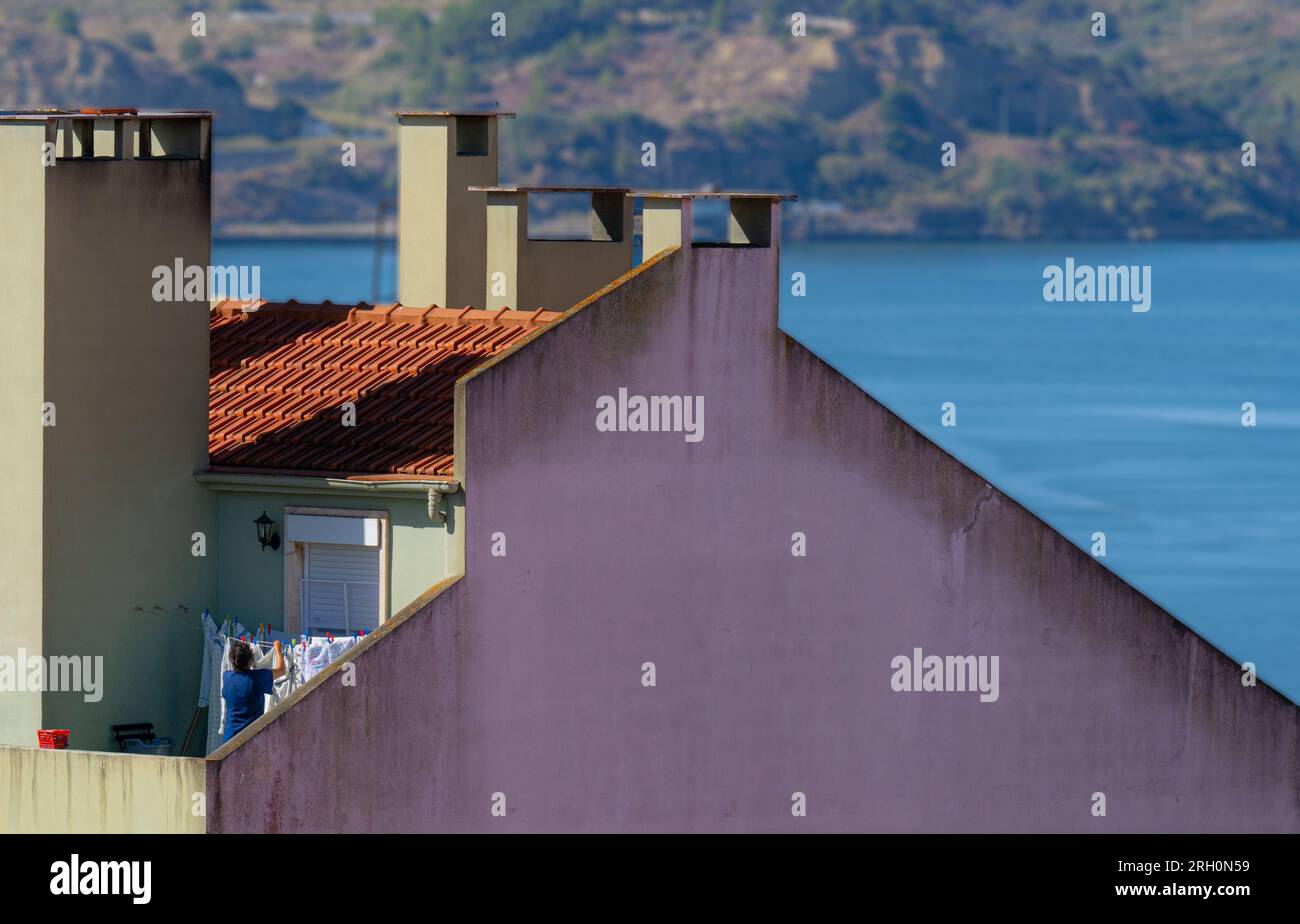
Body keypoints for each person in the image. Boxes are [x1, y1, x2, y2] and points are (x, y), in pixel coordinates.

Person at [222, 638, 285, 743]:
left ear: (232, 660)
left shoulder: (227, 676)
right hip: (251, 740)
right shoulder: (257, 678)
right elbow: (281, 670)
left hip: (229, 739)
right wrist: (278, 649)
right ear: (250, 660)